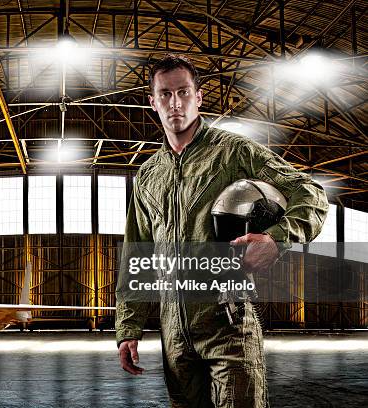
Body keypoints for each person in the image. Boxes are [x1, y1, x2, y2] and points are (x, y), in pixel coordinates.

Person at [115, 55, 328, 407]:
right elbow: (135, 252)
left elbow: (311, 194)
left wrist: (277, 238)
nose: (175, 102)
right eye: (165, 94)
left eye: (183, 92)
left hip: (227, 322)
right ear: (153, 102)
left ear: (198, 97)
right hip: (173, 334)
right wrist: (128, 328)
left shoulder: (233, 152)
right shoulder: (148, 176)